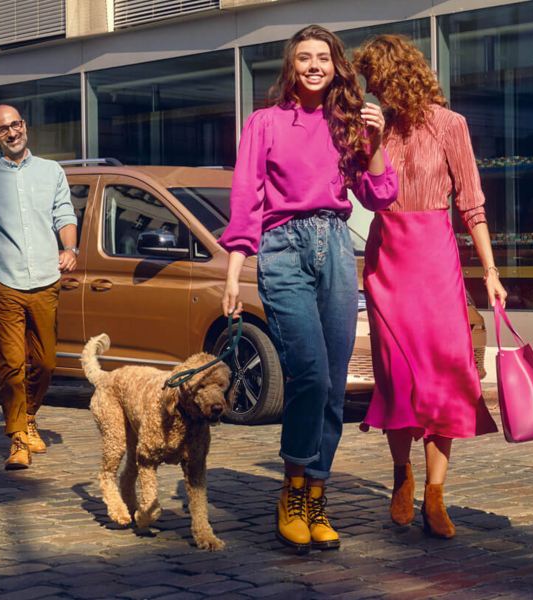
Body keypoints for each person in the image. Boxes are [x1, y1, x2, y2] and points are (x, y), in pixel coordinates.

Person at [220, 25, 398, 553]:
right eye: (305, 58)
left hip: (336, 248)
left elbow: (380, 194)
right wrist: (234, 272)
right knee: (310, 373)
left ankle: (316, 495)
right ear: (291, 66)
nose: (315, 65)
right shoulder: (265, 122)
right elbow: (245, 199)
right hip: (282, 249)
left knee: (333, 382)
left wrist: (379, 141)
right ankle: (293, 491)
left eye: (323, 57)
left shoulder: (348, 123)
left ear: (335, 64)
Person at [353, 35, 507, 538]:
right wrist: (369, 144)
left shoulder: (450, 125)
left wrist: (490, 272)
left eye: (374, 78)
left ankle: (436, 495)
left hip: (436, 260)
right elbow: (370, 197)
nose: (370, 89)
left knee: (443, 377)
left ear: (397, 74)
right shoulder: (371, 129)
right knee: (397, 377)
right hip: (387, 260)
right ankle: (402, 476)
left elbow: (473, 204)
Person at [0, 104, 78, 470]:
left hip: (46, 280)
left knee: (44, 361)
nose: (12, 133)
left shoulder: (51, 171)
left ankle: (30, 415)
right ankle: (17, 438)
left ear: (25, 126)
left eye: (16, 125)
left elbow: (64, 214)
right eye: (3, 129)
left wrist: (70, 248)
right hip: (5, 282)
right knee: (10, 363)